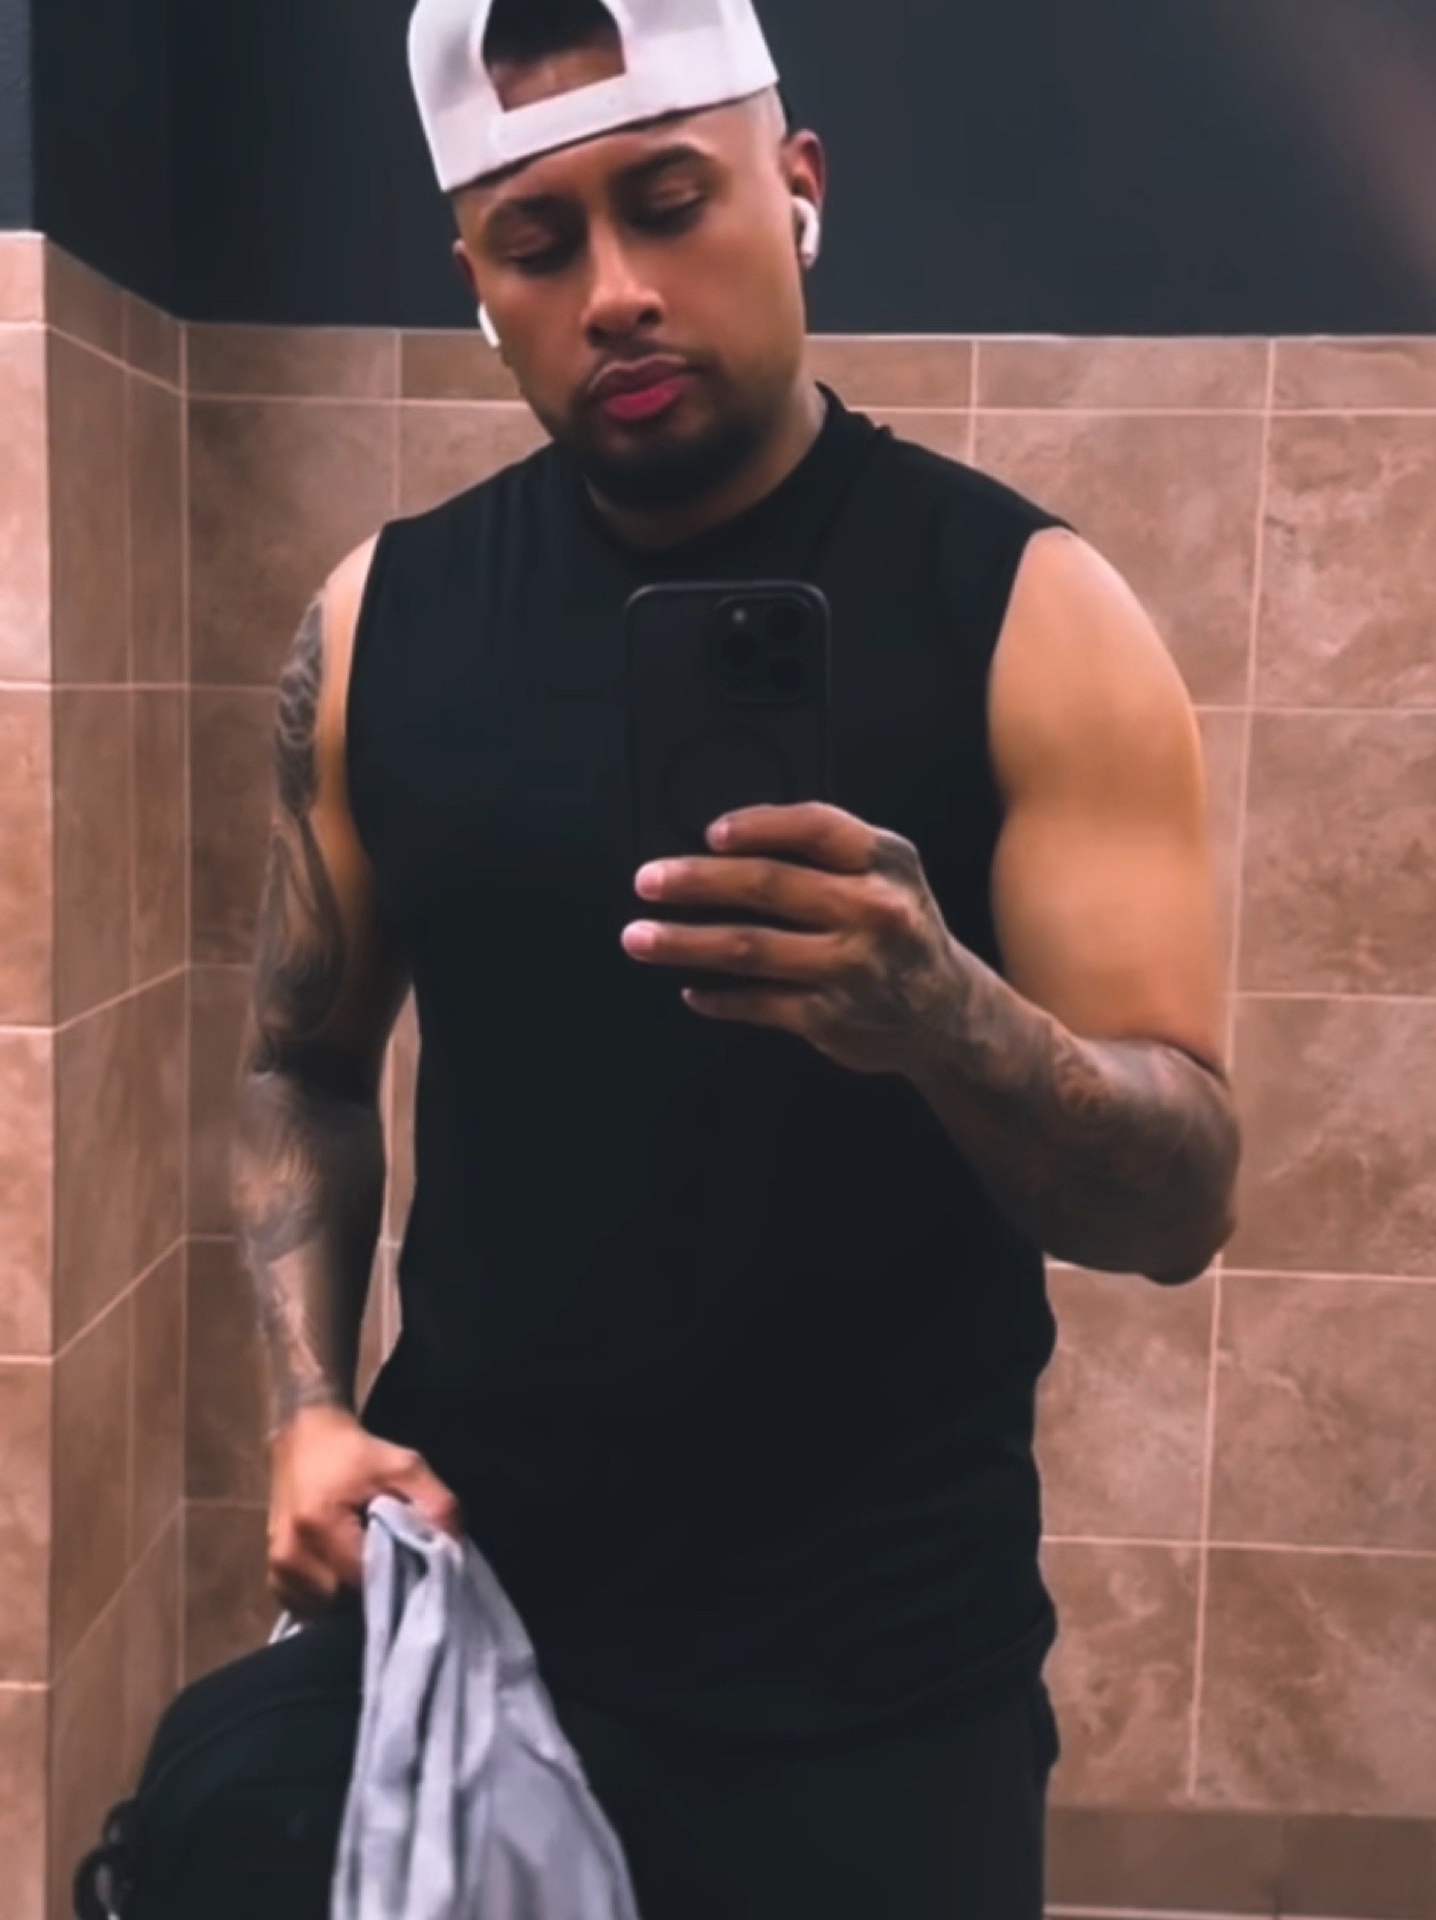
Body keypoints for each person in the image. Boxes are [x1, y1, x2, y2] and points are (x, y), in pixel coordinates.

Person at [229, 0, 1241, 1913]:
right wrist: (308, 1408)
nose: (615, 290)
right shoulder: (379, 625)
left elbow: (1183, 1196)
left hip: (886, 1691)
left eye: (671, 203)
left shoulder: (1031, 612)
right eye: (539, 242)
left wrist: (947, 1020)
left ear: (798, 192)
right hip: (480, 1630)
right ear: (478, 284)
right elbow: (300, 1066)